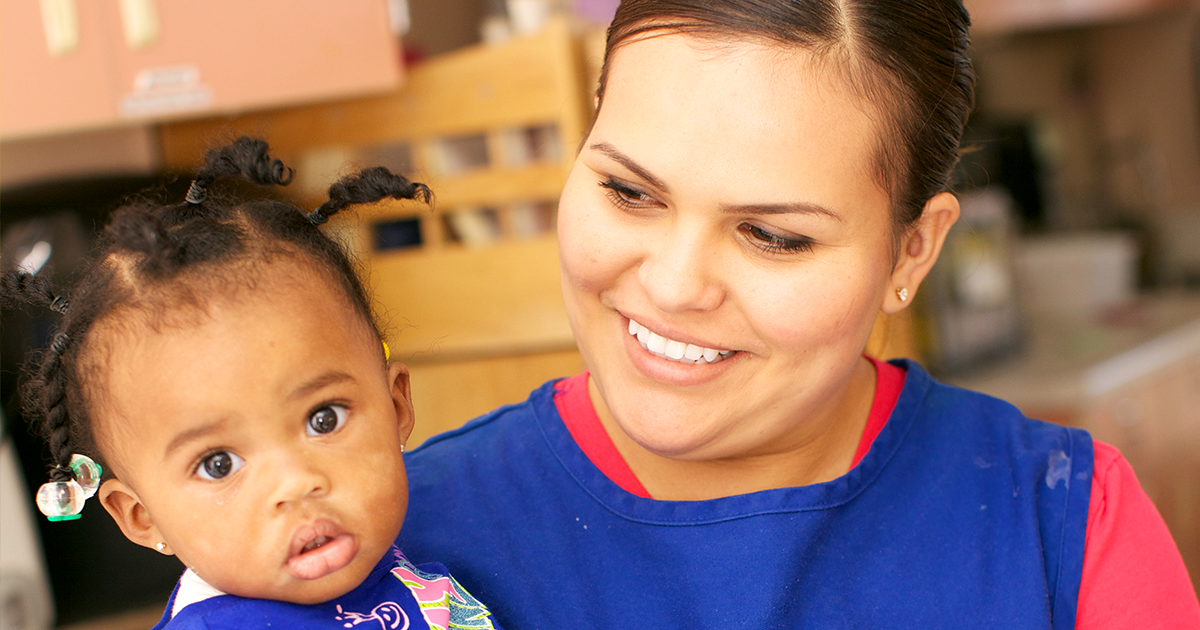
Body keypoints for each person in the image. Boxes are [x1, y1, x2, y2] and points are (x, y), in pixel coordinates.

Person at [398, 1, 1200, 628]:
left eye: (773, 236)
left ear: (912, 251)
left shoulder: (1064, 526)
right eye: (629, 192)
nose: (676, 286)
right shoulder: (391, 543)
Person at [2, 138, 502, 629]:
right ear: (142, 516)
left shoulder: (420, 566)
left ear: (395, 407)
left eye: (324, 418)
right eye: (218, 464)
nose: (296, 482)